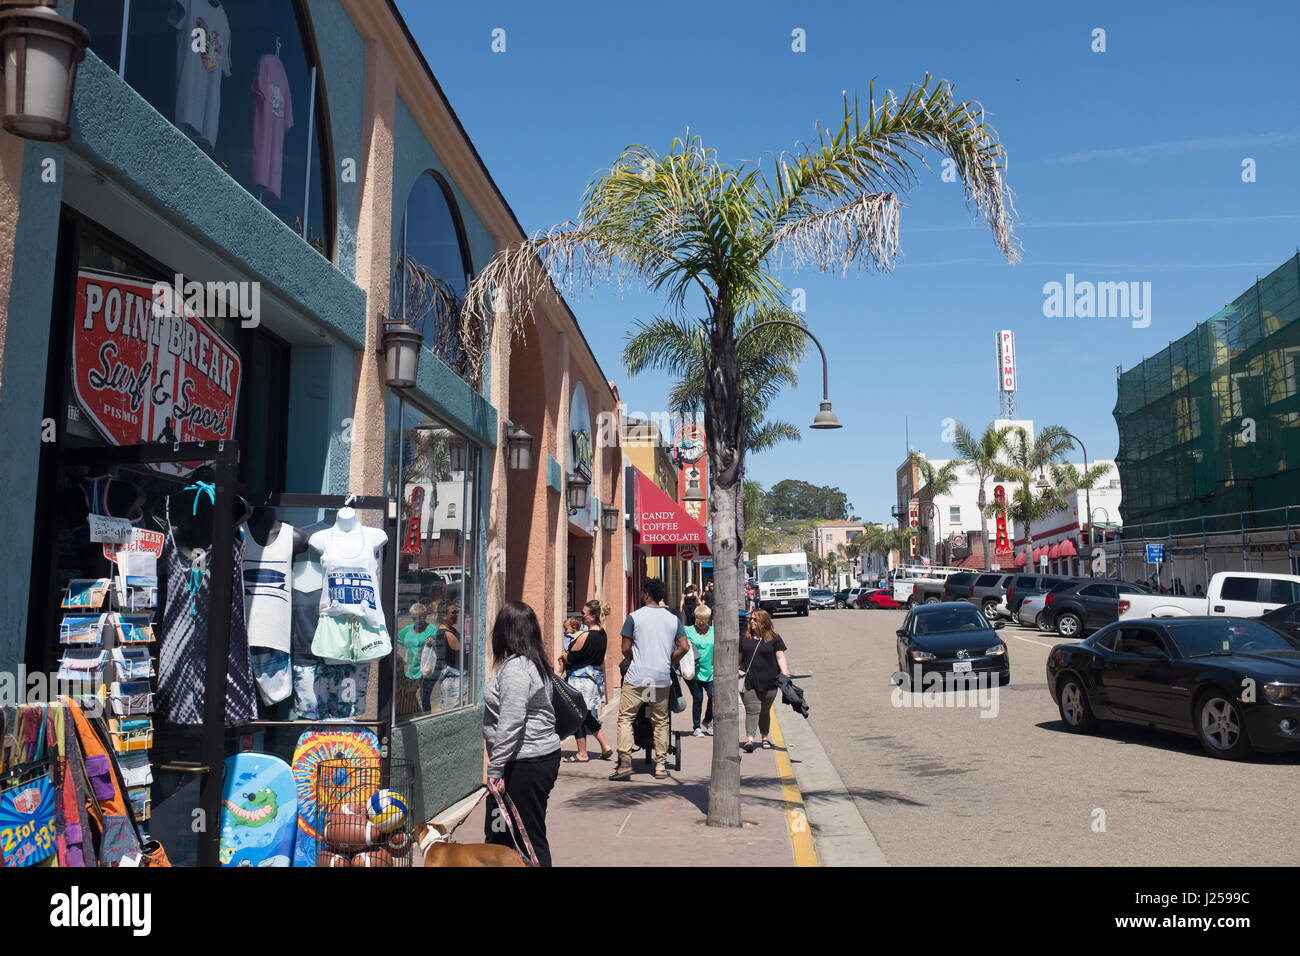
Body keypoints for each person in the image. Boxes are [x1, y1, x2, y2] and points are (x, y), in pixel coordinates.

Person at [483, 601, 561, 867]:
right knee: (510, 835)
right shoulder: (534, 663)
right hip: (531, 759)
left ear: (505, 632)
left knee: (527, 838)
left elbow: (512, 720)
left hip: (525, 763)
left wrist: (495, 769)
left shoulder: (517, 668)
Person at [611, 578, 689, 781]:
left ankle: (625, 763)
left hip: (638, 678)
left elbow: (625, 648)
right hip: (660, 678)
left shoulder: (634, 617)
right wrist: (670, 662)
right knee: (661, 721)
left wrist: (634, 660)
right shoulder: (672, 619)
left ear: (646, 594)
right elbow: (684, 647)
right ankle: (660, 765)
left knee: (626, 718)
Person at [560, 600, 614, 762]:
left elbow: (571, 657)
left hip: (580, 681)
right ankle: (605, 746)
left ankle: (582, 753)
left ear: (593, 616)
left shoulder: (586, 636)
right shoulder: (603, 635)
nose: (581, 616)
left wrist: (564, 656)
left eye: (584, 613)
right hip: (594, 680)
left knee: (577, 716)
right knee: (587, 715)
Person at [739, 609, 790, 753]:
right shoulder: (744, 637)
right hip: (749, 681)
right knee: (752, 709)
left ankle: (765, 738)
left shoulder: (774, 638)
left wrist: (786, 675)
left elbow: (780, 657)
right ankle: (750, 739)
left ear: (764, 621)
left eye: (755, 619)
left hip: (770, 682)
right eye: (751, 619)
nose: (752, 622)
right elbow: (739, 658)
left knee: (764, 711)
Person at [396, 603, 439, 714]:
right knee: (409, 695)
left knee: (424, 696)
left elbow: (437, 645)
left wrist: (432, 642)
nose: (418, 620)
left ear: (425, 616)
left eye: (421, 616)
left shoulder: (431, 629)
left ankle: (426, 717)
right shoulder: (407, 630)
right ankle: (414, 714)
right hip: (409, 669)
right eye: (414, 617)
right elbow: (397, 641)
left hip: (425, 669)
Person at [685, 604, 715, 736]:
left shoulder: (714, 631)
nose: (701, 622)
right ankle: (696, 727)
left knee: (713, 696)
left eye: (704, 619)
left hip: (710, 670)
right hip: (694, 671)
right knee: (698, 698)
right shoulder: (688, 631)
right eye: (698, 618)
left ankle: (708, 721)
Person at [438, 603, 463, 710]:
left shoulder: (451, 630)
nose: (457, 614)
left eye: (457, 612)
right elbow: (463, 652)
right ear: (444, 616)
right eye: (453, 612)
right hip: (453, 681)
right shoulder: (447, 633)